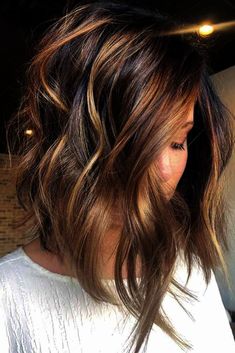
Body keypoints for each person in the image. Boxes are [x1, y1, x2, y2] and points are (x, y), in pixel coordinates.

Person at [1, 1, 235, 352]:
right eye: (135, 139)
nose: (161, 170)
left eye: (177, 141)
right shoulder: (8, 295)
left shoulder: (191, 272)